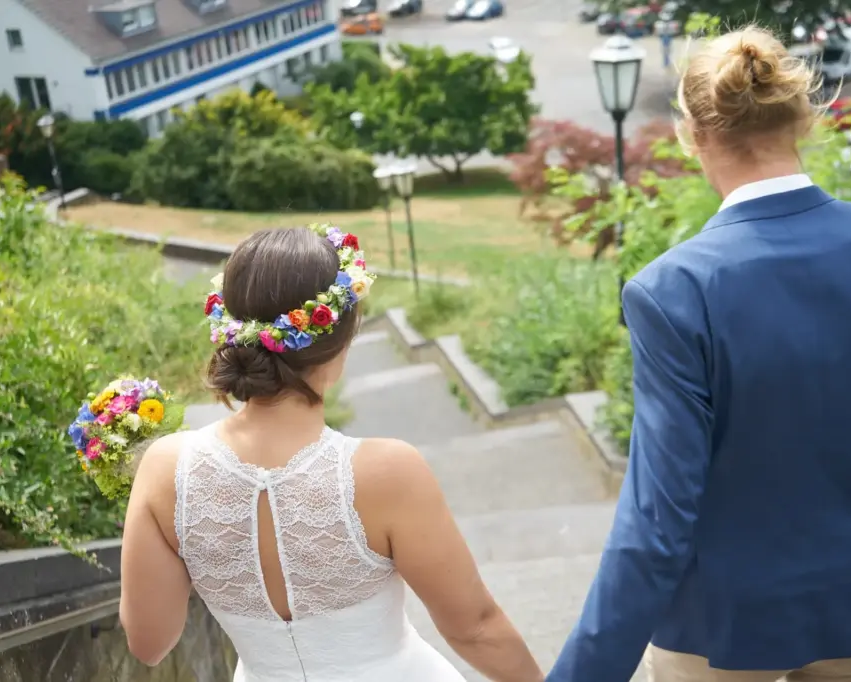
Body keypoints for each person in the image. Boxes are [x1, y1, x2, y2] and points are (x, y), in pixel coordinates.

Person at [547, 26, 851, 682]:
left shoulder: (673, 291)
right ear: (802, 119)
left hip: (722, 617)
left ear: (692, 134)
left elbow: (658, 519)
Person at [118, 226, 544, 682]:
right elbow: (475, 627)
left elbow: (149, 643)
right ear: (340, 337)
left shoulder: (165, 469)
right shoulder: (385, 472)